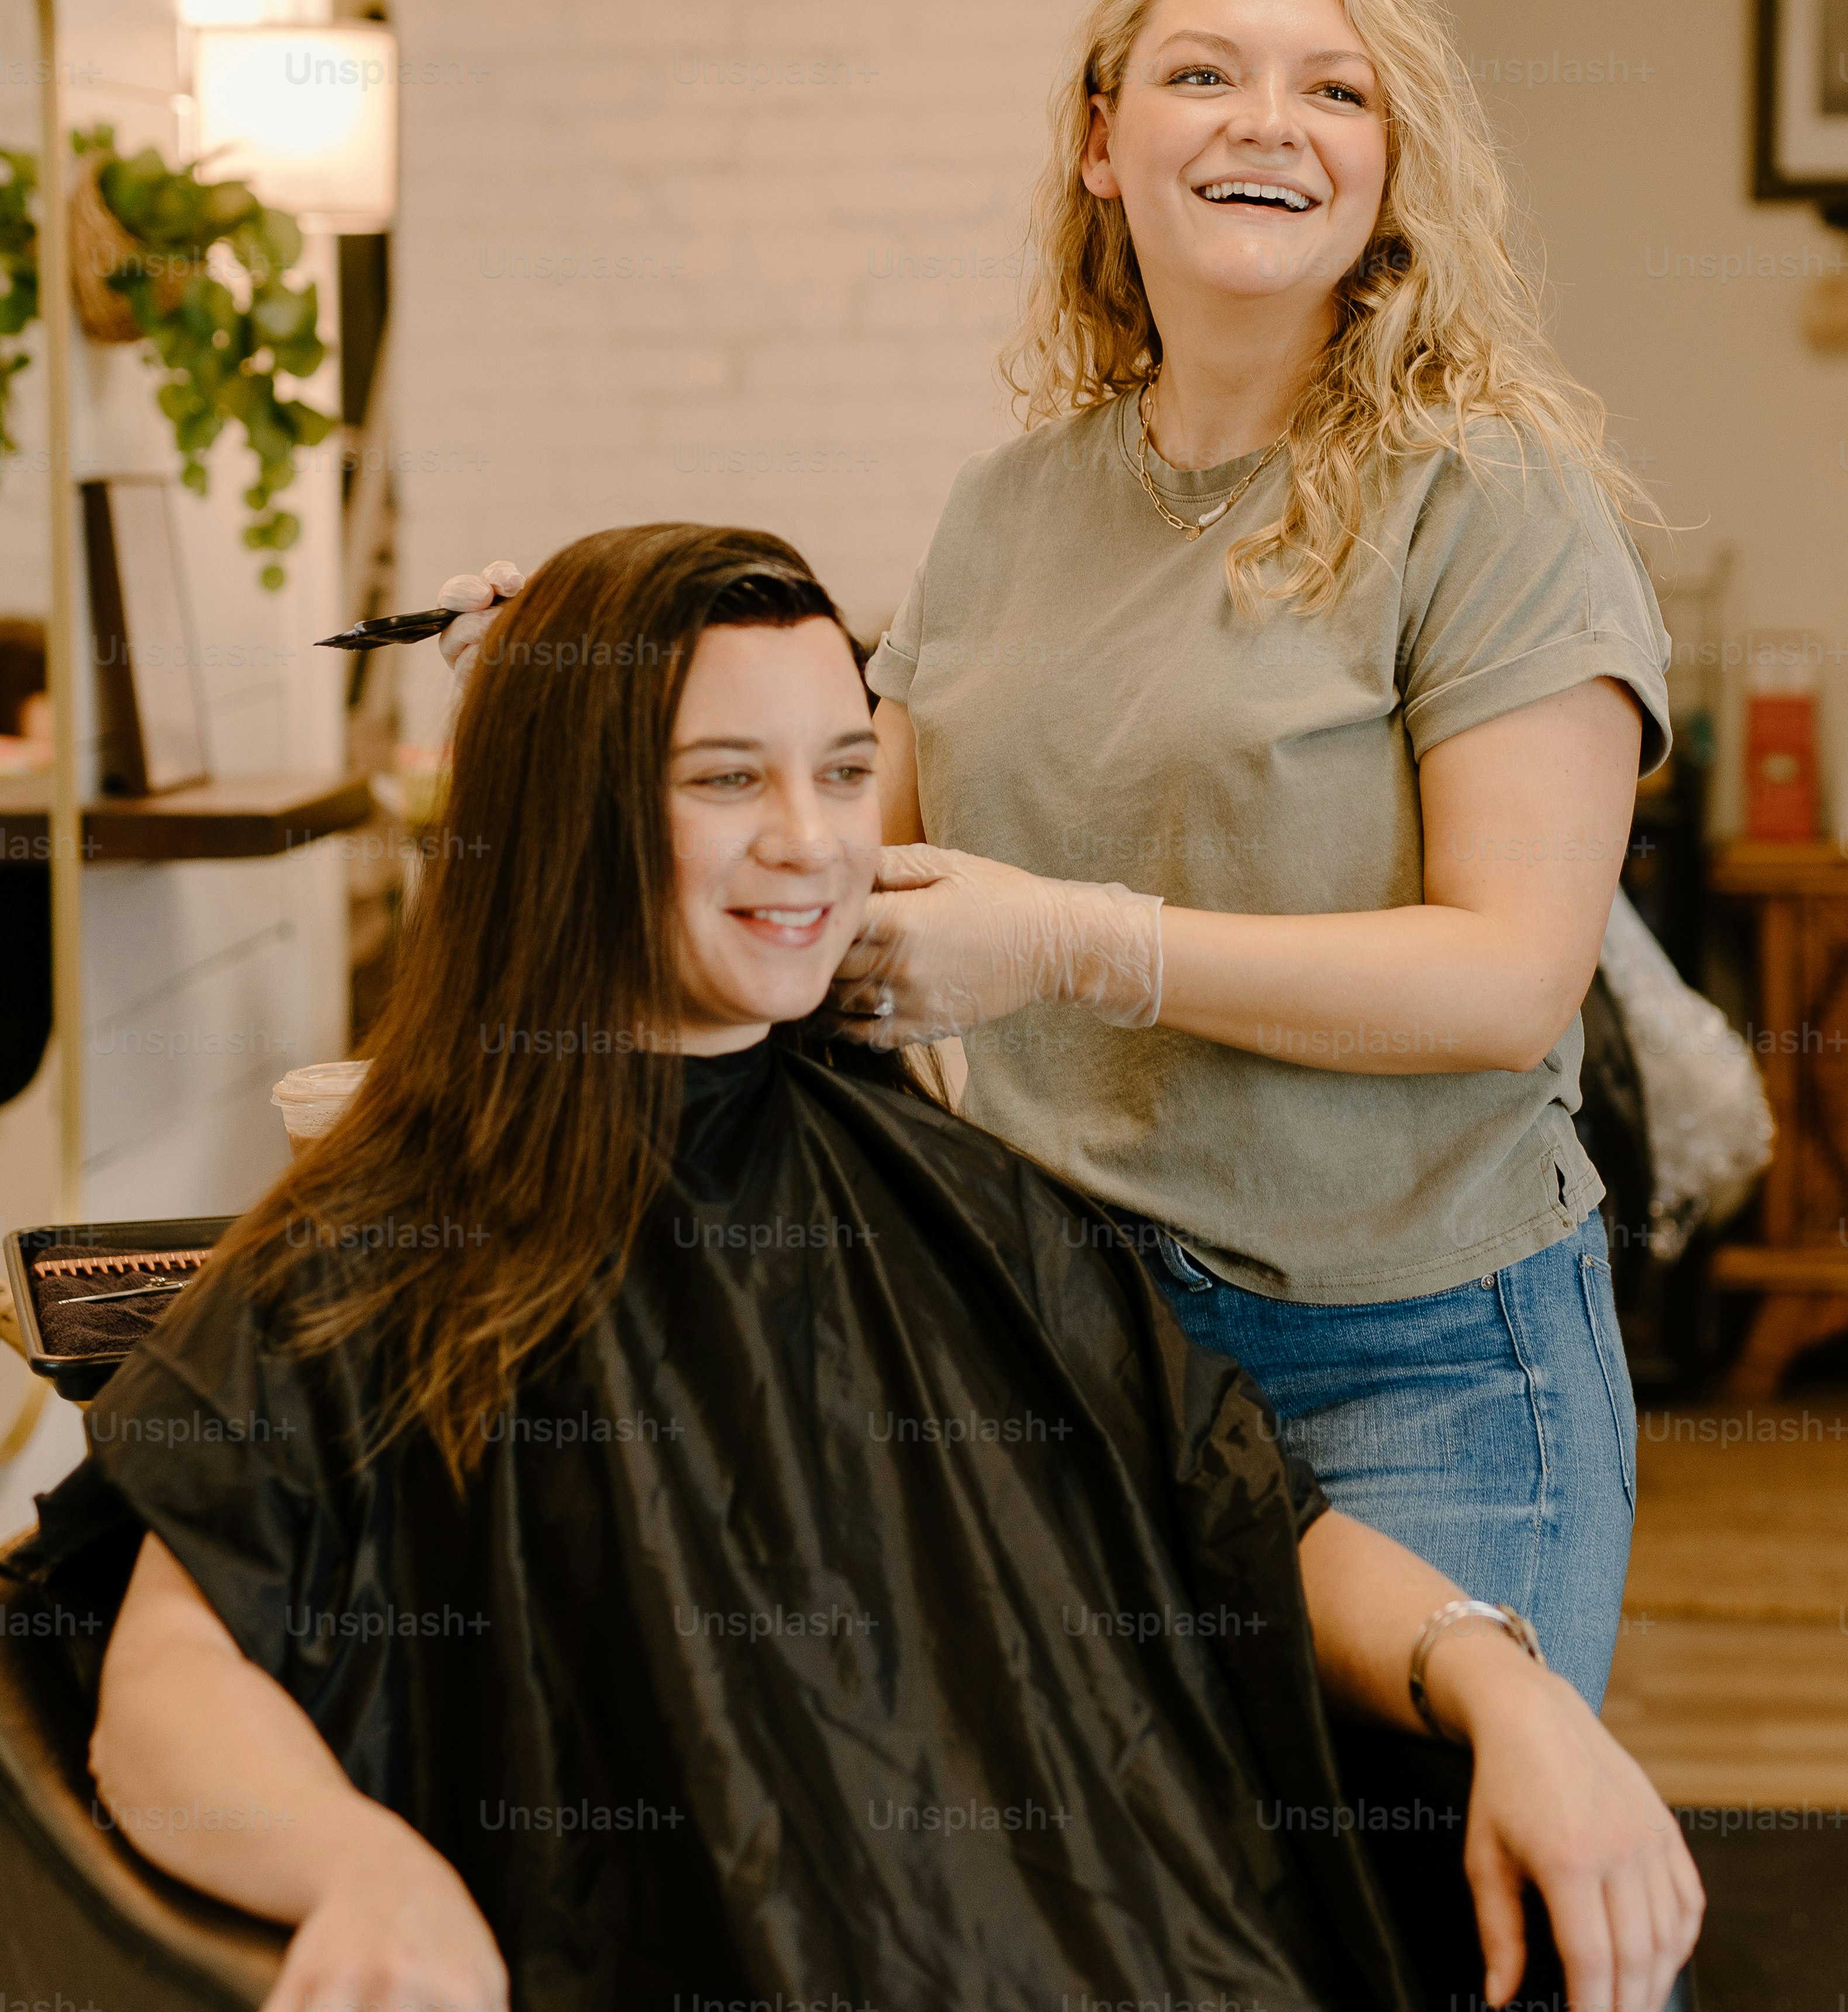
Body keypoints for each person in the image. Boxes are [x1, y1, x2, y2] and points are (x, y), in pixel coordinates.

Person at [13, 526, 1698, 2012]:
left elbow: (1254, 1517)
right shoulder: (386, 1239)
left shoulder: (941, 1189)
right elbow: (162, 1692)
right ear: (567, 811)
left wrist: (1506, 1686)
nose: (815, 841)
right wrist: (360, 1875)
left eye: (841, 770)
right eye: (728, 778)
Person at [438, 0, 1667, 1716]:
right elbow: (847, 857)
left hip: (1424, 1367)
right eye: (1204, 76)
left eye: (1336, 92)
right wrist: (627, 673)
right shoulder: (1011, 508)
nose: (1271, 124)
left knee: (1434, 1918)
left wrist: (1081, 945)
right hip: (1067, 1338)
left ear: (1390, 169)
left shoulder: (1487, 496)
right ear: (1105, 145)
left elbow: (1510, 980)